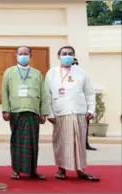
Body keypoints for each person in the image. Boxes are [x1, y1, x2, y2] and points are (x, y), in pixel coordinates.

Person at [45, 46, 100, 182]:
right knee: (61, 142)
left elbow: (89, 93)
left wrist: (91, 110)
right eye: (64, 54)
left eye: (70, 54)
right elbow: (47, 95)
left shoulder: (81, 73)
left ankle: (80, 170)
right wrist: (49, 113)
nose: (67, 56)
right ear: (59, 56)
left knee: (79, 142)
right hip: (60, 112)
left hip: (79, 112)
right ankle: (61, 169)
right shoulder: (51, 73)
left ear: (74, 56)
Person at [1, 46, 48, 180]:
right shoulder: (9, 72)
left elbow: (43, 93)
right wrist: (5, 109)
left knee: (33, 142)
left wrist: (44, 112)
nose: (23, 55)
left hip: (33, 111)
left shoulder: (37, 73)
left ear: (30, 56)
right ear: (16, 55)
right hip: (16, 112)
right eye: (20, 53)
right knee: (16, 142)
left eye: (25, 54)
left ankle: (33, 171)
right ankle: (16, 170)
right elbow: (4, 92)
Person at [72, 58, 97, 151]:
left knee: (84, 128)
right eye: (73, 63)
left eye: (76, 63)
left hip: (83, 108)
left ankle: (85, 143)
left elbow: (89, 93)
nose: (74, 65)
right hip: (69, 109)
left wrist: (91, 109)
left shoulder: (83, 75)